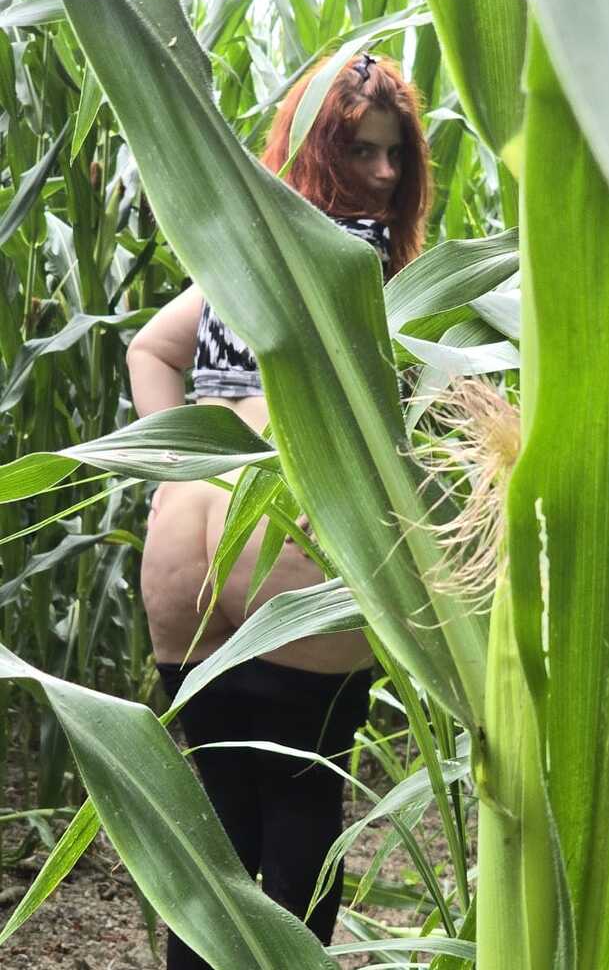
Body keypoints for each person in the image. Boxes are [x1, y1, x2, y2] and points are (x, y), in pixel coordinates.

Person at [126, 52, 430, 968]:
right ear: (318, 152)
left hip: (183, 535)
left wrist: (174, 465)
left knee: (219, 826)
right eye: (362, 152)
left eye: (395, 155)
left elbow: (151, 348)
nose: (384, 174)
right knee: (302, 799)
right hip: (288, 530)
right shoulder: (361, 260)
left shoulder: (239, 256)